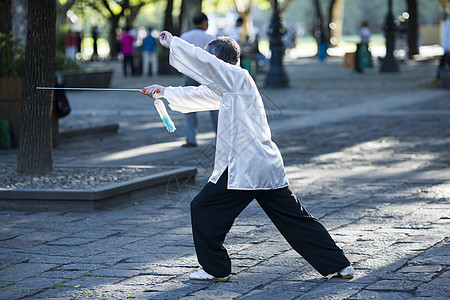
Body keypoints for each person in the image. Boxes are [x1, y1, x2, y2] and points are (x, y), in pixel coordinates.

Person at [141, 31, 354, 282]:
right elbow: (200, 95)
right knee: (294, 218)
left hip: (245, 165)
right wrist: (164, 91)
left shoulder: (236, 77)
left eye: (213, 61)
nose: (209, 67)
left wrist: (173, 43)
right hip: (262, 165)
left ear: (224, 62)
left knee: (203, 208)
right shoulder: (230, 84)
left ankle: (216, 269)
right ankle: (340, 264)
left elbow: (205, 63)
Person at [179, 12, 217, 148]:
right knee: (215, 105)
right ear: (204, 22)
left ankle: (191, 138)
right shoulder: (210, 38)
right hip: (207, 75)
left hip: (189, 73)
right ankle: (220, 136)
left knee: (189, 105)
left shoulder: (184, 37)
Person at [438, 11, 450, 79]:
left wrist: (448, 47)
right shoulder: (444, 24)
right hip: (445, 47)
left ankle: (440, 77)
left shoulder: (448, 24)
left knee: (443, 62)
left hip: (448, 47)